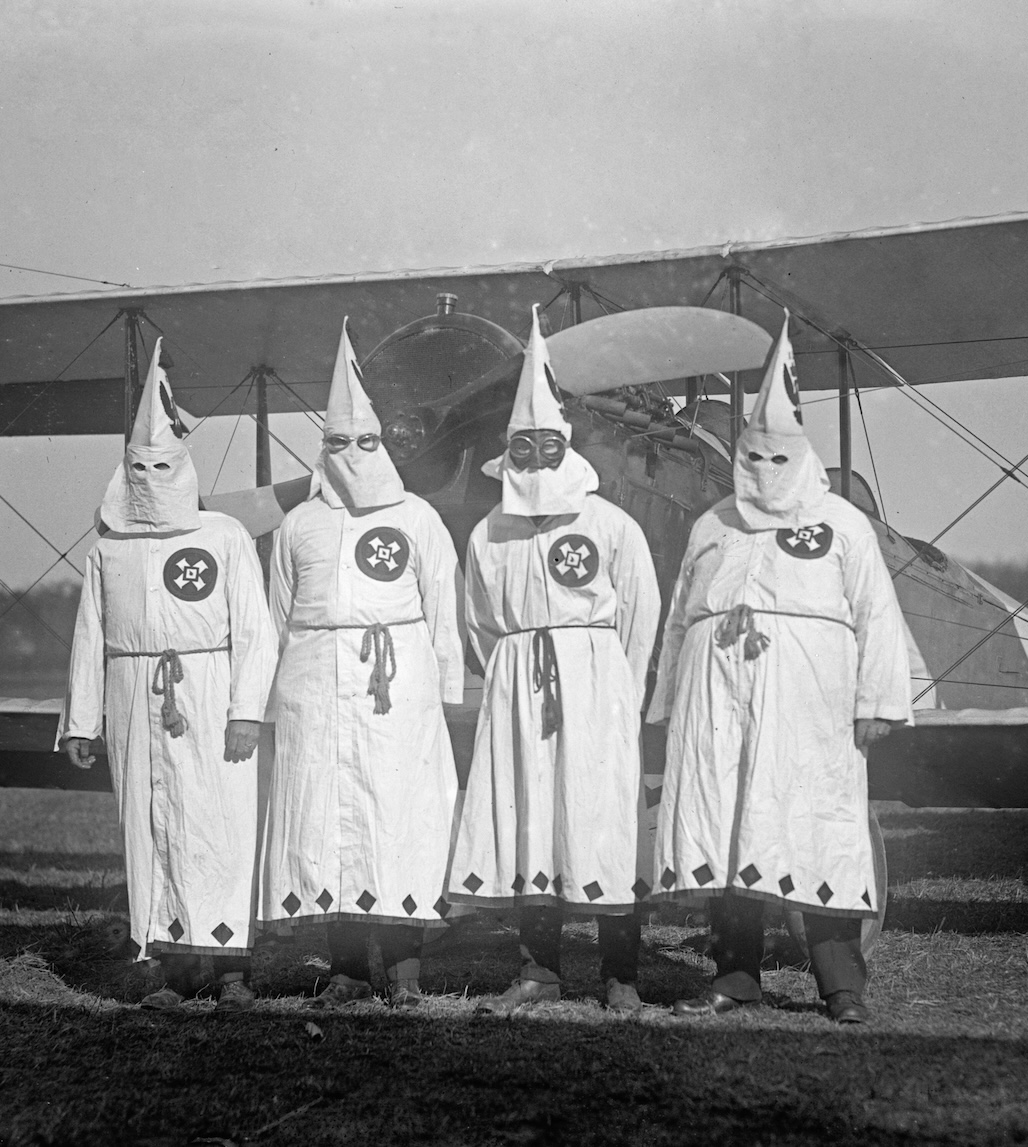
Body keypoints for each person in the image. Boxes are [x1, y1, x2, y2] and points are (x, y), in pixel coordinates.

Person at [645, 314, 912, 1025]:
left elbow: (877, 614)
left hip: (808, 708)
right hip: (718, 704)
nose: (764, 469)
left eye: (778, 458)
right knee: (728, 832)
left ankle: (841, 986)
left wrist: (877, 702)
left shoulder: (843, 525)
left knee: (815, 835)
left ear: (802, 455)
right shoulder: (713, 525)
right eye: (753, 456)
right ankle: (736, 977)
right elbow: (680, 620)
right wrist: (667, 705)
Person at [449, 306, 661, 1014]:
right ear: (506, 450)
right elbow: (481, 621)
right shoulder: (488, 533)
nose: (535, 460)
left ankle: (620, 974)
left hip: (596, 684)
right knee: (530, 818)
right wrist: (515, 670)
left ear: (565, 445)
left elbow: (640, 613)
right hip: (518, 685)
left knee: (599, 817)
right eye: (522, 447)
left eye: (546, 446)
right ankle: (539, 970)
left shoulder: (610, 525)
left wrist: (614, 686)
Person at [60, 339, 276, 1013]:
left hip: (209, 693)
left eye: (163, 464)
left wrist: (246, 711)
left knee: (219, 821)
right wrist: (82, 720)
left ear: (183, 466)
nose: (151, 476)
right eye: (139, 466)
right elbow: (90, 636)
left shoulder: (223, 536)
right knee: (152, 824)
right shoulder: (109, 549)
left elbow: (255, 630)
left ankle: (233, 971)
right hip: (134, 695)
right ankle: (174, 968)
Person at [257, 320, 464, 1008]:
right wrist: (272, 701)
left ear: (383, 443)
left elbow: (443, 611)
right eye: (338, 443)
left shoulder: (417, 518)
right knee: (329, 821)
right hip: (316, 685)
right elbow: (278, 616)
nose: (352, 455)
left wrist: (443, 697)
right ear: (323, 448)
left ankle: (404, 973)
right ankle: (346, 970)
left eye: (365, 443)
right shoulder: (299, 525)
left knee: (394, 816)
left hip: (396, 689)